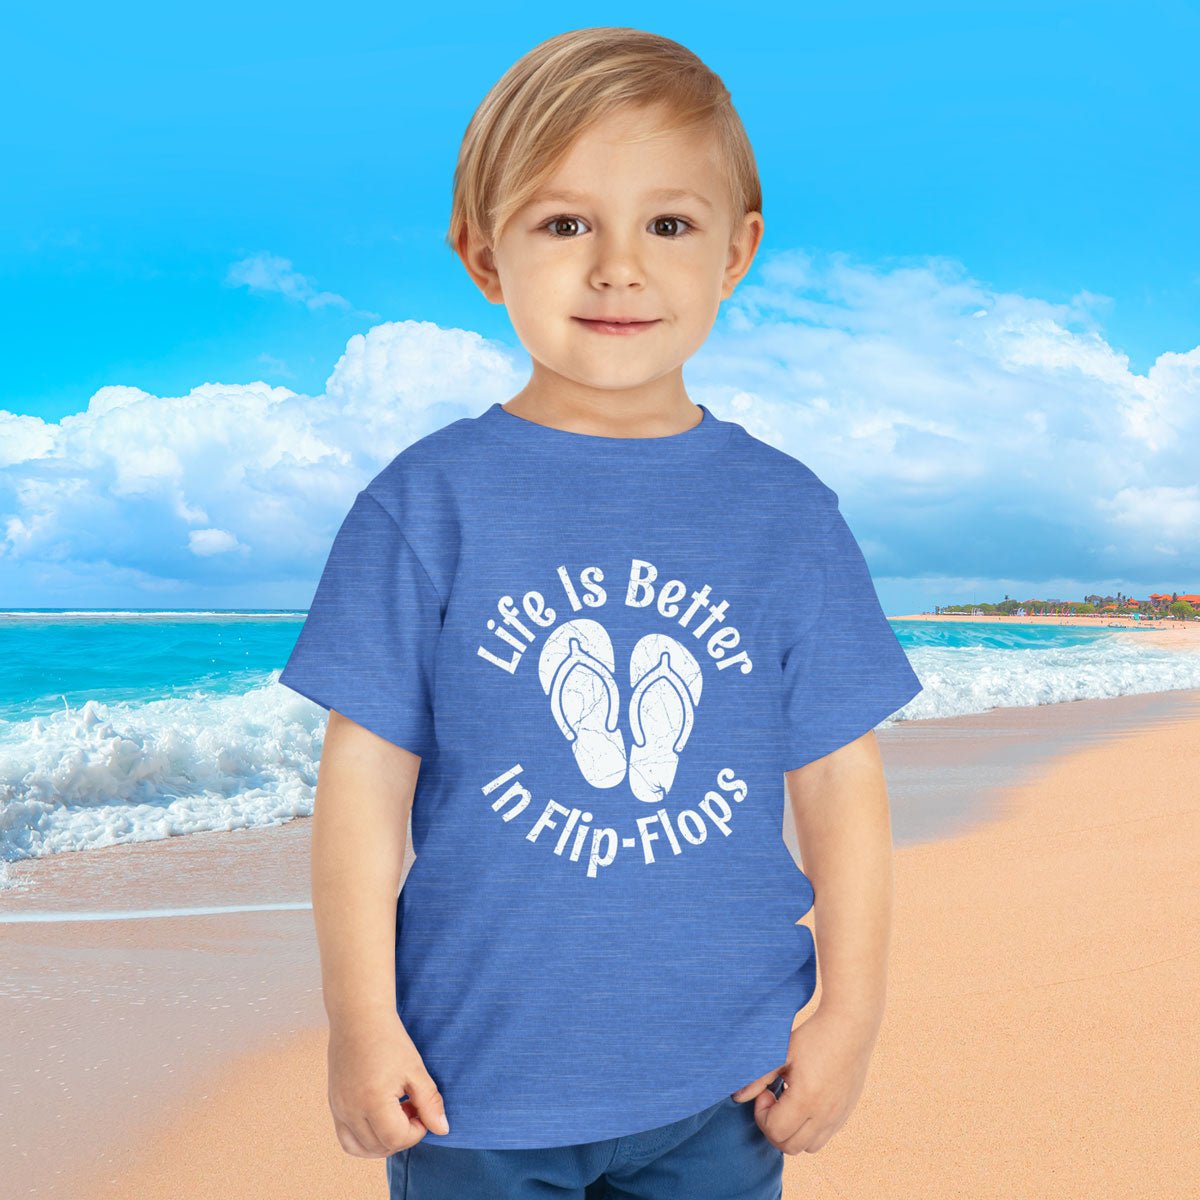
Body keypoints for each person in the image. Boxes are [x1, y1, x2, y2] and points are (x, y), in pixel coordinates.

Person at [278, 25, 923, 1200]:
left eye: (668, 225)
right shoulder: (427, 503)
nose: (619, 268)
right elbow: (362, 793)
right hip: (476, 1078)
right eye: (566, 223)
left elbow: (840, 784)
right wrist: (360, 1022)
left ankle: (632, 714)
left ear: (737, 251)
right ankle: (610, 706)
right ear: (485, 254)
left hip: (726, 1074)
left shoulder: (785, 512)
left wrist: (849, 1013)